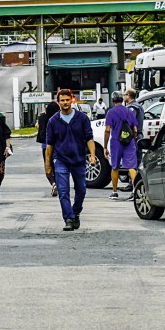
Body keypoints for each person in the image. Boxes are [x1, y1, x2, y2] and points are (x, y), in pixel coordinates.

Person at [45, 89, 97, 231]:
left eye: (67, 100)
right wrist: (47, 164)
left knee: (81, 190)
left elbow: (89, 139)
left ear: (72, 100)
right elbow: (49, 145)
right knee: (63, 191)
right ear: (58, 102)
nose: (65, 103)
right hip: (61, 160)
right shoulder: (53, 121)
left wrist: (92, 155)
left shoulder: (82, 118)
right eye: (62, 100)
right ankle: (68, 218)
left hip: (79, 159)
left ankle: (76, 212)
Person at [104, 91, 139, 201]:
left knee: (115, 167)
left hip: (116, 142)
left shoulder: (111, 112)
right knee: (132, 167)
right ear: (122, 99)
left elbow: (107, 130)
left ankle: (114, 192)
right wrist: (132, 138)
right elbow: (135, 129)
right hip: (129, 142)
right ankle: (135, 192)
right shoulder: (129, 111)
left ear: (112, 100)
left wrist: (105, 146)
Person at [36, 100, 59, 197]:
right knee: (58, 167)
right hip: (57, 145)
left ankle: (53, 183)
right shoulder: (57, 118)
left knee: (48, 166)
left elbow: (37, 126)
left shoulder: (42, 117)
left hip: (45, 145)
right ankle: (59, 184)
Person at [124, 88, 145, 169]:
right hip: (138, 137)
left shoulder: (132, 107)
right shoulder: (138, 106)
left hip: (133, 137)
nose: (123, 96)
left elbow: (131, 123)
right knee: (137, 161)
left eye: (124, 94)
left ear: (128, 96)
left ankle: (132, 181)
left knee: (132, 163)